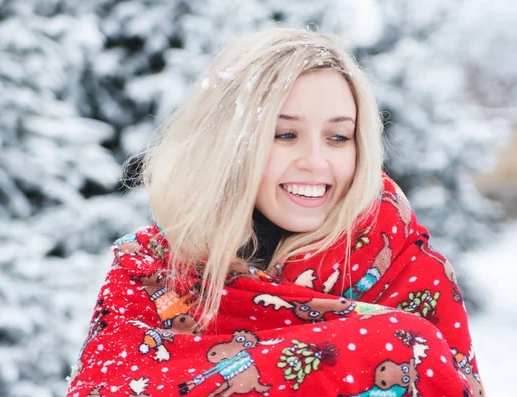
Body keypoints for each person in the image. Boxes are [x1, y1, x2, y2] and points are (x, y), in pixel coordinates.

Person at [66, 27, 485, 397]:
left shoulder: (408, 270)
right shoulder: (152, 274)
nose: (316, 161)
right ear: (226, 143)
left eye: (339, 137)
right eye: (286, 134)